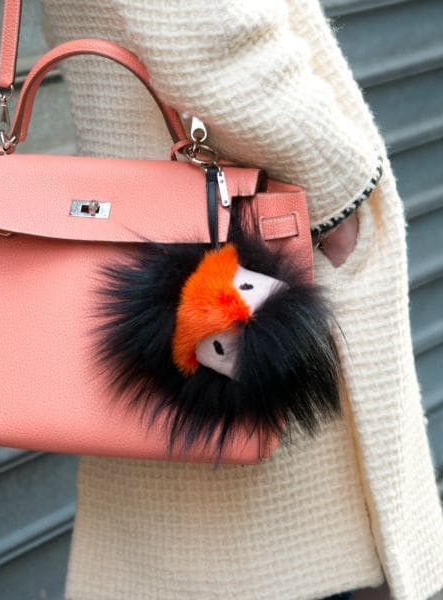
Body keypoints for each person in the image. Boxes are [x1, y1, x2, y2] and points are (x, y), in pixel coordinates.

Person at [38, 1, 443, 598]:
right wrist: (339, 187)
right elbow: (208, 34)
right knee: (280, 560)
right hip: (247, 231)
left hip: (164, 229)